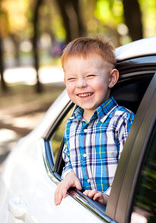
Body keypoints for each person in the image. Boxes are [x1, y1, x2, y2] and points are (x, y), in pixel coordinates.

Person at [54, 36, 135, 206]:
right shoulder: (72, 124)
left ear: (112, 78)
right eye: (72, 79)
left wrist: (107, 197)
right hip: (84, 212)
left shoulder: (121, 120)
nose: (81, 84)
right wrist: (69, 175)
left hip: (114, 215)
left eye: (90, 75)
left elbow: (131, 173)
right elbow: (68, 161)